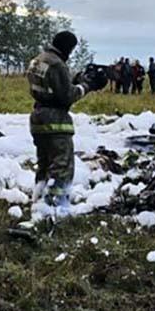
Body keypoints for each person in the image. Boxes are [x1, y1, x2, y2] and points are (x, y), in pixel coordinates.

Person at [26, 30, 107, 213]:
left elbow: (50, 87)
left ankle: (38, 200)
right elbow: (66, 96)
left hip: (38, 118)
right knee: (62, 165)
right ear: (68, 48)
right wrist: (87, 86)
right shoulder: (57, 65)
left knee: (44, 163)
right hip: (56, 121)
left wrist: (75, 80)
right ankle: (55, 205)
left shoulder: (37, 60)